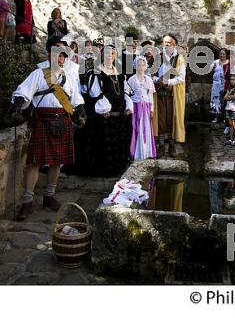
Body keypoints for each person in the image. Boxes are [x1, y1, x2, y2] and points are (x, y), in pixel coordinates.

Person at [10, 40, 86, 220]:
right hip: (42, 121)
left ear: (64, 59)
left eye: (61, 55)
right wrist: (19, 103)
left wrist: (81, 112)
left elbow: (76, 99)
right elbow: (24, 91)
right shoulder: (38, 74)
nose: (58, 58)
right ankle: (27, 202)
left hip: (63, 120)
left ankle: (49, 196)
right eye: (55, 54)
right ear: (50, 56)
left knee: (57, 162)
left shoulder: (68, 78)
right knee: (34, 162)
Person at [68, 45, 133, 177]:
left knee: (119, 143)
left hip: (119, 115)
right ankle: (104, 172)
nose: (110, 56)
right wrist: (104, 108)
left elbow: (125, 92)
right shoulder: (95, 72)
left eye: (113, 53)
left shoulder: (120, 74)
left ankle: (118, 169)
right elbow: (95, 93)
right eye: (107, 53)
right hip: (104, 116)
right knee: (104, 145)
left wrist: (128, 106)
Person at [152, 34, 186, 158]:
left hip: (173, 94)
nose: (166, 45)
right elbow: (151, 74)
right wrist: (158, 80)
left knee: (171, 119)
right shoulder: (158, 58)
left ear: (174, 44)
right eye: (164, 42)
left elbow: (181, 78)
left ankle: (171, 146)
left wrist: (167, 82)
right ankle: (161, 146)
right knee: (160, 120)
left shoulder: (179, 59)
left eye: (169, 43)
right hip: (159, 93)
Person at [128, 56, 156, 160]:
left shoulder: (148, 79)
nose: (141, 67)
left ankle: (147, 151)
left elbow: (150, 95)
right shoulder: (132, 79)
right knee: (137, 128)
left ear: (146, 66)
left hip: (146, 106)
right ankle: (137, 153)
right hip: (136, 106)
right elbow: (129, 95)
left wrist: (152, 109)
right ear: (135, 66)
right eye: (138, 65)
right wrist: (130, 107)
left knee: (147, 129)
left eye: (143, 65)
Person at [224, 74, 235, 145]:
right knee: (230, 125)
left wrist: (229, 96)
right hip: (228, 108)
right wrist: (229, 97)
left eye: (233, 79)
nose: (231, 81)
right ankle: (230, 139)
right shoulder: (229, 89)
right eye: (231, 79)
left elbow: (234, 97)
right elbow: (224, 98)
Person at [210, 53, 225, 122]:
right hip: (216, 85)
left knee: (224, 100)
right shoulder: (216, 62)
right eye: (221, 54)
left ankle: (224, 118)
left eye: (223, 54)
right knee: (216, 100)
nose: (222, 55)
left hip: (224, 84)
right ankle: (216, 117)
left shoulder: (228, 62)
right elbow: (209, 69)